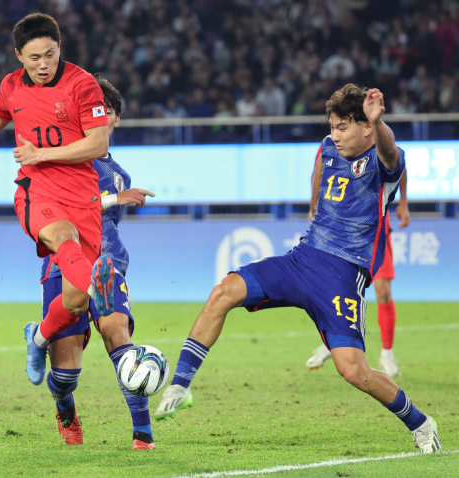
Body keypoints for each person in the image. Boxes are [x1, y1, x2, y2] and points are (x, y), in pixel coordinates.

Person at [154, 84, 441, 454]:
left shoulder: (384, 160)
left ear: (366, 127)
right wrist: (312, 204)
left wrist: (379, 120)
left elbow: (389, 152)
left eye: (343, 127)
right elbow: (319, 169)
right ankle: (180, 385)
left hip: (341, 275)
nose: (335, 135)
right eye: (333, 126)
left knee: (355, 371)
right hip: (302, 259)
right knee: (224, 290)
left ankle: (420, 422)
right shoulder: (327, 147)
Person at [0, 13, 114, 387]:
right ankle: (100, 286)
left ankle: (37, 337)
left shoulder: (83, 85)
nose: (43, 64)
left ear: (59, 48)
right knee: (62, 236)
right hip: (37, 191)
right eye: (34, 57)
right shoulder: (12, 86)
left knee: (74, 303)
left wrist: (42, 154)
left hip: (82, 196)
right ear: (19, 55)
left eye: (50, 55)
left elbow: (98, 144)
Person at [27, 74, 156, 449]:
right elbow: (67, 209)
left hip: (108, 265)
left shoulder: (120, 175)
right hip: (64, 265)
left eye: (107, 111)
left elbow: (105, 223)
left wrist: (116, 198)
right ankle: (65, 410)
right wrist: (117, 199)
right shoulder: (61, 162)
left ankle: (143, 434)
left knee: (119, 336)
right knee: (66, 376)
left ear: (114, 119)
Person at [306, 154, 410, 377]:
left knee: (383, 292)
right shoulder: (333, 142)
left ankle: (388, 353)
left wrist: (403, 202)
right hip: (342, 232)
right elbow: (318, 171)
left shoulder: (377, 137)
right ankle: (332, 343)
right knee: (340, 290)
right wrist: (314, 206)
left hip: (376, 230)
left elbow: (398, 163)